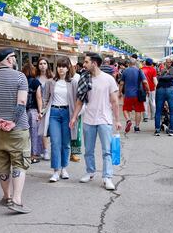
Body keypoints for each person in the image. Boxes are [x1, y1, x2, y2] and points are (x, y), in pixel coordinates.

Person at [0, 48, 31, 214]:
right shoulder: (20, 77)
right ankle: (16, 200)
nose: (15, 60)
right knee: (19, 162)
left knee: (1, 164)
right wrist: (12, 121)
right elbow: (22, 102)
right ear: (9, 59)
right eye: (14, 57)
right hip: (17, 128)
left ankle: (6, 196)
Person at [69, 52, 122, 191]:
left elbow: (115, 101)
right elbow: (79, 101)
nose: (84, 65)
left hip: (104, 119)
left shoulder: (109, 79)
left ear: (94, 63)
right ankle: (90, 171)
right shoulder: (84, 79)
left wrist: (117, 120)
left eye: (86, 62)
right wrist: (74, 117)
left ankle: (107, 177)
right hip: (88, 119)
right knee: (88, 150)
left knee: (107, 151)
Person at [41, 57, 79, 182]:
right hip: (54, 113)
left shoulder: (73, 82)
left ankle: (64, 168)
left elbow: (77, 100)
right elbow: (45, 99)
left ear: (68, 68)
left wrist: (75, 115)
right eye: (59, 66)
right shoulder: (50, 82)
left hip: (67, 113)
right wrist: (41, 111)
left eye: (63, 66)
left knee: (65, 143)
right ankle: (56, 171)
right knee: (55, 142)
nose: (61, 68)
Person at [119, 58, 150, 133]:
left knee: (125, 109)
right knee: (138, 110)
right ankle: (137, 127)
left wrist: (119, 92)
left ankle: (128, 120)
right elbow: (145, 82)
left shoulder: (125, 71)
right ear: (135, 63)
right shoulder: (139, 71)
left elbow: (121, 83)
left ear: (128, 64)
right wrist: (148, 90)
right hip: (138, 94)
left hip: (128, 94)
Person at [154, 58, 173, 136]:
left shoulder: (162, 71)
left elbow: (158, 79)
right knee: (172, 111)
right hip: (170, 89)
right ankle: (172, 129)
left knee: (158, 110)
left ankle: (157, 130)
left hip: (160, 89)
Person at [23, 62, 42, 163]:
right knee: (34, 134)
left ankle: (24, 155)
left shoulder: (21, 81)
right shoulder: (36, 82)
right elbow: (38, 97)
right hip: (33, 110)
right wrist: (40, 111)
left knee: (24, 134)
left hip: (22, 111)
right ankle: (33, 156)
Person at [36, 58, 53, 160]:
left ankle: (48, 149)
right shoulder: (36, 78)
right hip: (39, 105)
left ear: (47, 65)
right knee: (42, 129)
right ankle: (45, 150)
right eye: (40, 63)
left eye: (44, 63)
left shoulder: (53, 77)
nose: (42, 65)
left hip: (51, 105)